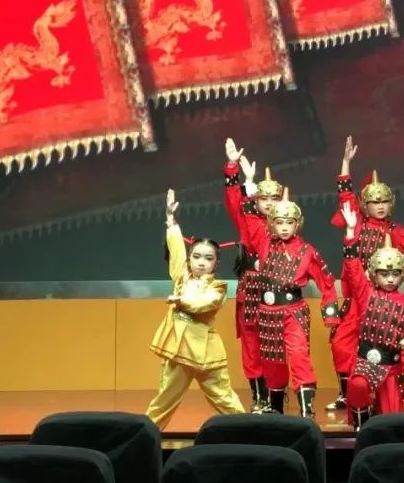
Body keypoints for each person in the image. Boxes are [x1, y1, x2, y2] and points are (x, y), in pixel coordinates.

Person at [226, 155, 340, 417]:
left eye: (289, 222)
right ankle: (274, 412)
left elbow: (326, 281)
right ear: (271, 223)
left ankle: (306, 412)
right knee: (272, 363)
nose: (285, 227)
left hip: (292, 311)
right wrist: (243, 179)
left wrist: (330, 315)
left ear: (297, 223)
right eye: (279, 222)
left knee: (299, 357)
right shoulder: (263, 239)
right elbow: (244, 213)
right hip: (266, 311)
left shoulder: (307, 250)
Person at [326, 136, 404, 412]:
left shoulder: (396, 231)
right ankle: (348, 393)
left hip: (386, 301)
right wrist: (345, 163)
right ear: (365, 205)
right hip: (358, 298)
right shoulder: (357, 224)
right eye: (374, 202)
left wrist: (402, 275)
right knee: (341, 344)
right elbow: (345, 196)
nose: (380, 206)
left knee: (400, 346)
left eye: (384, 201)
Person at [145, 189, 246, 429]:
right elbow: (176, 252)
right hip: (179, 350)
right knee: (163, 400)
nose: (201, 262)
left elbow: (204, 304)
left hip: (206, 354)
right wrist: (171, 220)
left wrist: (180, 301)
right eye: (197, 256)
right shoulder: (181, 278)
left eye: (208, 258)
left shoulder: (218, 288)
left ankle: (250, 432)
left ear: (216, 263)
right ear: (190, 258)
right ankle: (144, 436)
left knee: (226, 400)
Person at [339, 201, 404, 428]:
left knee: (392, 422)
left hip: (391, 368)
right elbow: (352, 266)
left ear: (402, 275)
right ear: (373, 274)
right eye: (384, 274)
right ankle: (360, 429)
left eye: (395, 274)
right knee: (358, 386)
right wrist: (350, 233)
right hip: (365, 364)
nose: (389, 279)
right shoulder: (365, 293)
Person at [223, 137, 281, 412]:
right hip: (250, 291)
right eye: (263, 199)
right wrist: (235, 170)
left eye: (274, 199)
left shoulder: (286, 227)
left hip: (278, 292)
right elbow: (234, 200)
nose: (268, 204)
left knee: (276, 346)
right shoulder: (248, 221)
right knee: (252, 346)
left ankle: (276, 395)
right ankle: (259, 397)